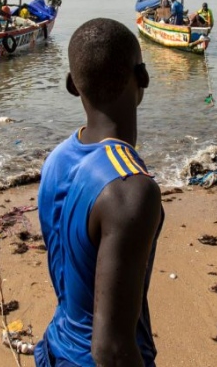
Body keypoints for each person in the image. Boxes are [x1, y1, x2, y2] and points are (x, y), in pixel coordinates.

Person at [35, 18, 162, 367]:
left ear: (73, 85)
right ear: (143, 78)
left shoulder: (57, 159)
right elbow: (111, 349)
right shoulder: (131, 189)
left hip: (54, 347)